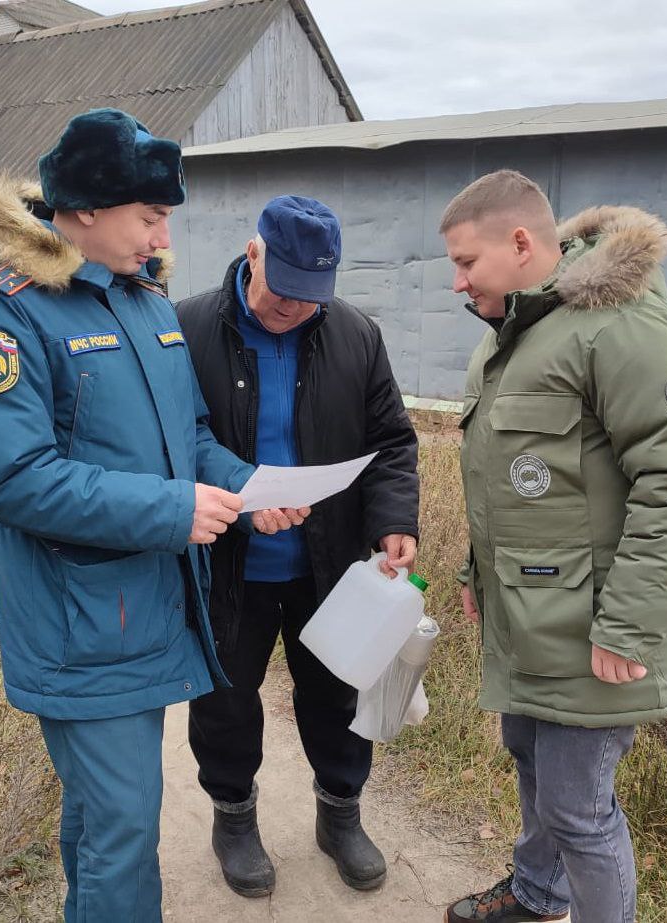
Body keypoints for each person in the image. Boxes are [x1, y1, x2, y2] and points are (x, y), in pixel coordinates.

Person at [0, 107, 305, 923]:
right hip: (79, 626)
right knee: (125, 827)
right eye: (150, 216)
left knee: (103, 817)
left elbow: (189, 436)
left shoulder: (142, 300)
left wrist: (249, 491)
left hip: (147, 609)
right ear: (85, 209)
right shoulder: (1, 311)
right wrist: (174, 509)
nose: (162, 235)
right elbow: (12, 478)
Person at [438, 170, 667, 923]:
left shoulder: (619, 324)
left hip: (593, 624)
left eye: (466, 262)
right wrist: (476, 571)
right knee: (532, 763)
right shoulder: (515, 335)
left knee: (578, 808)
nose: (456, 281)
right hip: (530, 615)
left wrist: (628, 624)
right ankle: (538, 895)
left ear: (520, 243)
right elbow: (508, 480)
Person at [176, 195, 420, 898]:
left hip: (327, 562)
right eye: (283, 291)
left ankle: (340, 813)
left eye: (312, 295)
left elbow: (391, 442)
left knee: (337, 693)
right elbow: (174, 439)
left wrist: (394, 520)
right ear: (252, 253)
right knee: (225, 700)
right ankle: (233, 817)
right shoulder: (186, 328)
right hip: (227, 564)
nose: (295, 308)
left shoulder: (355, 333)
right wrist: (241, 500)